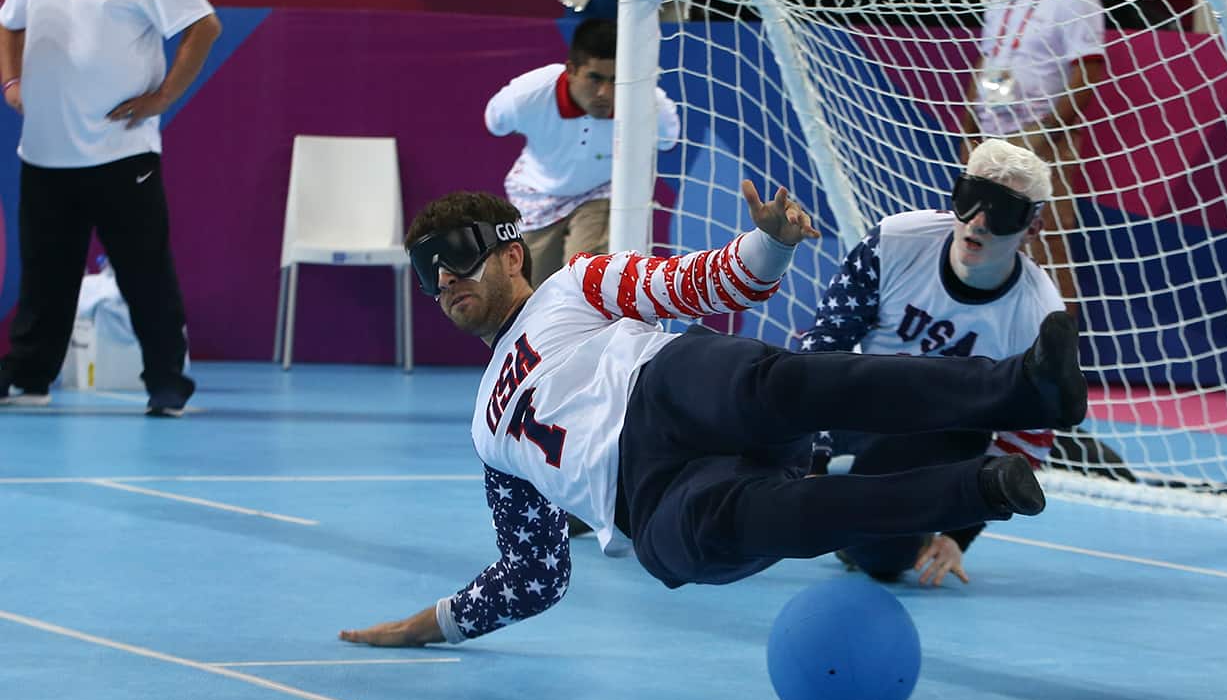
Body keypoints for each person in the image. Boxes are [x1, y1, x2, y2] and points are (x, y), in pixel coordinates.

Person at [338, 181, 1087, 647]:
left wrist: (768, 244)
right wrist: (427, 625)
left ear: (510, 254)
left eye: (458, 254)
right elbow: (534, 572)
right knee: (786, 517)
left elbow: (696, 282)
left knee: (789, 385)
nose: (443, 277)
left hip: (663, 390)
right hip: (647, 505)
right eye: (427, 269)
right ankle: (981, 491)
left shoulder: (575, 285)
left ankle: (1024, 389)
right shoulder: (484, 432)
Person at [803, 138, 1066, 587]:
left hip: (942, 443)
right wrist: (816, 453)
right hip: (858, 405)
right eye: (969, 199)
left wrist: (961, 533)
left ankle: (864, 515)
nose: (978, 223)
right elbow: (826, 344)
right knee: (738, 413)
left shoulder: (1039, 316)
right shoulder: (895, 242)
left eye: (1002, 211)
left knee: (883, 559)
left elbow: (1030, 438)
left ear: (1032, 228)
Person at [0, 0, 220, 415]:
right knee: (44, 279)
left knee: (146, 276)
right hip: (45, 151)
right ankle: (29, 376)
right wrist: (11, 82)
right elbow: (10, 22)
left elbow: (204, 26)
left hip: (121, 153)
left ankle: (167, 383)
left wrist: (162, 97)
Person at [485, 18, 680, 285]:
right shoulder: (527, 94)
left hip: (600, 191)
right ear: (571, 70)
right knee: (530, 292)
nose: (604, 93)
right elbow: (495, 123)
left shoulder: (644, 98)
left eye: (616, 80)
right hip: (538, 193)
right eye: (595, 78)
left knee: (588, 280)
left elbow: (669, 140)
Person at [960, 0, 1106, 312]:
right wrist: (969, 131)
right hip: (990, 137)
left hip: (1042, 137)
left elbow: (1088, 71)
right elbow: (986, 61)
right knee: (982, 243)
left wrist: (1045, 133)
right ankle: (993, 345)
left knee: (1046, 246)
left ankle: (1058, 353)